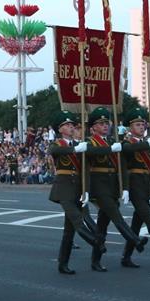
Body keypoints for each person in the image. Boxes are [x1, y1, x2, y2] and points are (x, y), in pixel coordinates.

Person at [85, 107, 148, 272]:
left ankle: (96, 260)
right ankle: (135, 240)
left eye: (106, 123)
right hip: (98, 185)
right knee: (115, 215)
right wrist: (110, 149)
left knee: (102, 225)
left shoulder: (114, 142)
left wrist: (125, 188)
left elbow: (122, 166)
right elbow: (91, 153)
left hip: (112, 185)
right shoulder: (90, 142)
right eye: (101, 123)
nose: (105, 126)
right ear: (93, 127)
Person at [47, 111, 101, 274]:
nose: (71, 128)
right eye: (68, 125)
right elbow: (54, 152)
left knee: (68, 231)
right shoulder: (58, 144)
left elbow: (85, 170)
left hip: (77, 188)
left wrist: (85, 190)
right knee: (78, 220)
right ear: (60, 129)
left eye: (72, 125)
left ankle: (63, 264)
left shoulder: (79, 145)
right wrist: (76, 149)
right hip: (63, 189)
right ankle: (97, 243)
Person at [119, 107, 150, 268]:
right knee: (149, 219)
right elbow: (129, 150)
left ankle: (126, 256)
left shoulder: (147, 143)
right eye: (137, 124)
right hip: (135, 183)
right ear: (130, 127)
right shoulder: (127, 142)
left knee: (137, 223)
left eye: (143, 124)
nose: (141, 127)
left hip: (147, 183)